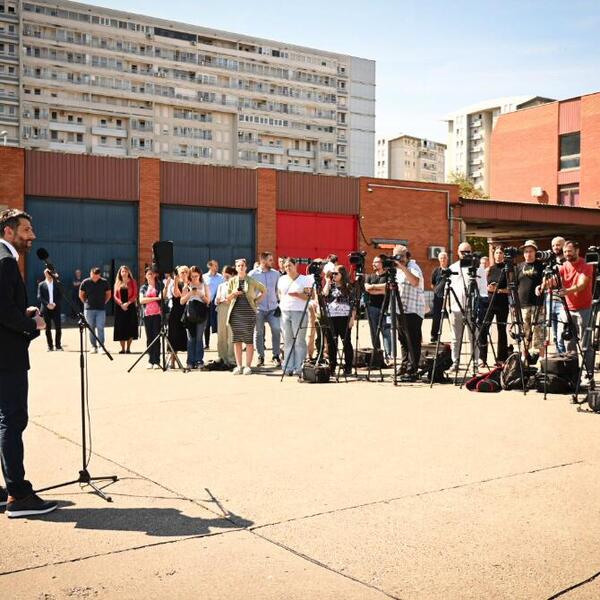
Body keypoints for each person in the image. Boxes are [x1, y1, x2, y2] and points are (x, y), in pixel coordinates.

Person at [0, 208, 58, 518]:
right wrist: (31, 324)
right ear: (8, 232)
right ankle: (18, 496)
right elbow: (2, 311)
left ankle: (8, 489)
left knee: (4, 421)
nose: (32, 236)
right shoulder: (5, 262)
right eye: (26, 230)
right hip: (7, 357)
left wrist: (22, 314)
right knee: (12, 420)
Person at [448, 242, 488, 373]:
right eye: (462, 252)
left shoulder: (479, 268)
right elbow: (449, 288)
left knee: (473, 337)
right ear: (457, 252)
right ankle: (455, 362)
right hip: (456, 307)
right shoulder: (453, 267)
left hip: (472, 307)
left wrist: (480, 306)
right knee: (456, 338)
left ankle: (474, 363)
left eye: (468, 252)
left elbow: (483, 289)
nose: (465, 254)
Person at [556, 240, 594, 379]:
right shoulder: (564, 265)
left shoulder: (586, 264)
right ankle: (573, 374)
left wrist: (567, 291)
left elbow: (582, 284)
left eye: (569, 251)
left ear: (577, 251)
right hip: (568, 308)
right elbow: (554, 279)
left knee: (585, 344)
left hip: (584, 308)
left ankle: (588, 374)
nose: (567, 254)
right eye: (565, 251)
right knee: (569, 342)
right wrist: (542, 285)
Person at [226, 258, 266, 375]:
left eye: (243, 265)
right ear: (236, 268)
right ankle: (239, 366)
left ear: (246, 267)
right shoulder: (232, 281)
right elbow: (227, 298)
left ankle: (248, 366)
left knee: (248, 340)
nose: (241, 267)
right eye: (238, 266)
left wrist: (256, 301)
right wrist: (234, 294)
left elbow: (264, 290)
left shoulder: (251, 280)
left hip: (249, 313)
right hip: (235, 313)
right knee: (237, 340)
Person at [278, 258, 312, 376]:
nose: (287, 268)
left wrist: (297, 294)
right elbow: (279, 294)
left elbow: (309, 296)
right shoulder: (282, 279)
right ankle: (288, 367)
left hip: (299, 311)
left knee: (299, 341)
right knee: (287, 341)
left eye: (290, 265)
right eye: (285, 266)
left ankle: (299, 367)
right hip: (285, 312)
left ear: (295, 265)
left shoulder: (304, 279)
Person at [250, 252, 281, 367]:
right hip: (259, 308)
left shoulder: (276, 274)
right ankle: (260, 356)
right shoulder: (252, 274)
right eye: (270, 260)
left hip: (273, 308)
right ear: (263, 261)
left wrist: (279, 303)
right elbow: (249, 291)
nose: (272, 262)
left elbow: (278, 290)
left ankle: (276, 356)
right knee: (259, 332)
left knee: (276, 329)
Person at [322, 265, 356, 375]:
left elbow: (354, 304)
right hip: (331, 317)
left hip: (344, 317)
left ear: (342, 274)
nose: (334, 275)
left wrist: (352, 319)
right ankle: (332, 366)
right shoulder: (330, 286)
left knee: (346, 342)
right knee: (331, 343)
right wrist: (327, 281)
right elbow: (324, 294)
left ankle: (348, 367)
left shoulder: (348, 287)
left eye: (336, 273)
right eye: (333, 273)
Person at [479, 246, 510, 364]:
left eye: (500, 253)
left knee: (501, 330)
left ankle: (501, 358)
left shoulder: (507, 269)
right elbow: (483, 286)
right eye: (496, 253)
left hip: (502, 303)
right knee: (483, 328)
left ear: (504, 255)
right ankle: (482, 358)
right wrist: (488, 288)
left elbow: (511, 289)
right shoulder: (489, 269)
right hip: (490, 302)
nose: (498, 255)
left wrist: (498, 290)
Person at [516, 240, 545, 361]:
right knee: (524, 331)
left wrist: (541, 286)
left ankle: (541, 357)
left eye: (531, 251)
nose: (528, 254)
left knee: (539, 330)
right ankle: (524, 355)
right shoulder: (519, 266)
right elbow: (515, 285)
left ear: (535, 252)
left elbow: (546, 281)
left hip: (537, 304)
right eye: (526, 251)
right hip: (522, 304)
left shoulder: (541, 266)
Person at [180, 266, 210, 369]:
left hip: (201, 313)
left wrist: (200, 294)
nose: (194, 278)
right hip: (190, 314)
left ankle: (199, 361)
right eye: (192, 276)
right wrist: (190, 294)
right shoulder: (187, 286)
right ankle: (190, 361)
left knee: (199, 338)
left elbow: (208, 301)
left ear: (200, 275)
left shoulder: (204, 285)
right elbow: (181, 301)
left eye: (196, 276)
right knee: (191, 339)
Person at [364, 254, 392, 358]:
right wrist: (380, 289)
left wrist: (373, 288)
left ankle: (388, 355)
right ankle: (378, 354)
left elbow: (388, 288)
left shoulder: (389, 276)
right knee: (374, 332)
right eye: (373, 262)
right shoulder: (370, 276)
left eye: (376, 262)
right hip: (372, 308)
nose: (373, 264)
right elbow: (367, 288)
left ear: (382, 263)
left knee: (386, 332)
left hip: (385, 308)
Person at [79, 267, 111, 354]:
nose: (94, 277)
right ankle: (93, 346)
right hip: (89, 309)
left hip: (101, 309)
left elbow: (108, 294)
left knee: (100, 327)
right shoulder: (85, 282)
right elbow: (81, 294)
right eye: (92, 275)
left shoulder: (104, 282)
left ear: (99, 275)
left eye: (96, 276)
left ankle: (101, 346)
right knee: (91, 328)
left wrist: (104, 302)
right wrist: (85, 302)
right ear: (90, 273)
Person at [166, 265, 190, 369]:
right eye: (182, 272)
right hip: (176, 313)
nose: (184, 274)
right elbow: (177, 295)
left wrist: (186, 284)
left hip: (187, 312)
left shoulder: (190, 284)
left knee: (187, 338)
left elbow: (185, 297)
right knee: (173, 337)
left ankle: (190, 361)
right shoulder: (174, 283)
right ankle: (172, 362)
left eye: (186, 272)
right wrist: (176, 282)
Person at [139, 268, 162, 369]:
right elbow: (141, 300)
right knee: (149, 338)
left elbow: (161, 297)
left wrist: (148, 299)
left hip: (157, 315)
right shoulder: (143, 287)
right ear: (146, 276)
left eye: (152, 274)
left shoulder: (159, 286)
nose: (151, 275)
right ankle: (150, 360)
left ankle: (157, 360)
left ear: (155, 275)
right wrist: (155, 298)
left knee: (157, 337)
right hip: (147, 315)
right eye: (148, 274)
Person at [547, 236, 566, 353]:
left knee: (561, 335)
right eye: (553, 245)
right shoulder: (551, 262)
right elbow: (546, 279)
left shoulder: (567, 262)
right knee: (554, 335)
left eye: (558, 245)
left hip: (563, 301)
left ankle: (565, 359)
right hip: (550, 299)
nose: (555, 247)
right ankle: (559, 357)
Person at [113, 265, 138, 354]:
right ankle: (122, 349)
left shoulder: (133, 281)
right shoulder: (117, 282)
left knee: (130, 326)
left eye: (125, 271)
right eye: (122, 271)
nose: (124, 273)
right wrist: (121, 304)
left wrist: (128, 303)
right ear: (120, 273)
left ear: (128, 272)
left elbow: (135, 294)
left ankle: (128, 348)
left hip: (130, 306)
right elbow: (115, 296)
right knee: (121, 327)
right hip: (120, 308)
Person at [215, 265, 237, 367]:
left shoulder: (236, 285)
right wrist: (219, 300)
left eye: (227, 274)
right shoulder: (221, 286)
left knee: (232, 334)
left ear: (232, 274)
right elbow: (216, 300)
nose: (225, 276)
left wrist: (225, 299)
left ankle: (232, 359)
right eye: (224, 274)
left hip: (232, 309)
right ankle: (222, 357)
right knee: (221, 334)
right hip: (221, 310)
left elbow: (234, 299)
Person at [37, 268, 62, 351]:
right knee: (47, 328)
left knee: (58, 327)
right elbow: (39, 296)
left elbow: (60, 295)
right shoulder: (41, 284)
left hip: (56, 308)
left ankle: (58, 346)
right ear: (45, 274)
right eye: (47, 273)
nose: (49, 275)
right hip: (46, 309)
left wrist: (54, 304)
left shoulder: (57, 283)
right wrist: (47, 304)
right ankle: (50, 346)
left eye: (50, 273)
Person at [203, 260, 224, 350]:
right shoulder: (204, 277)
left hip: (216, 304)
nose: (217, 267)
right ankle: (206, 344)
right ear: (210, 266)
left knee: (218, 323)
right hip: (207, 303)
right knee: (206, 324)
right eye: (215, 265)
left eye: (217, 265)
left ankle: (221, 343)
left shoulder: (221, 277)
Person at [429, 252, 448, 343]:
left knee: (452, 318)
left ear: (447, 259)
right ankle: (434, 336)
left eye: (444, 258)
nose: (443, 260)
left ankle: (455, 336)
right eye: (441, 258)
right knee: (437, 318)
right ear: (439, 260)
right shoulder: (436, 271)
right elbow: (432, 284)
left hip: (449, 297)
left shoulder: (450, 270)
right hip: (438, 298)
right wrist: (437, 291)